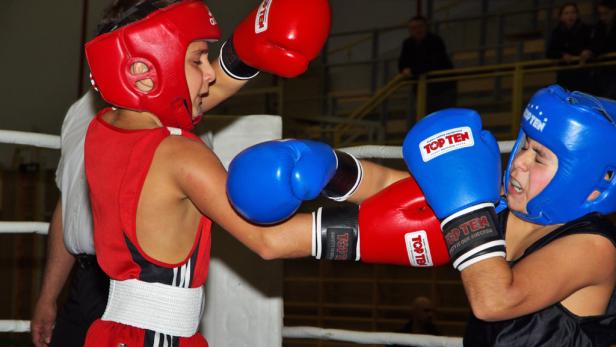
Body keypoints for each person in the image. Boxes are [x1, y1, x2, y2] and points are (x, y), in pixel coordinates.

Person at [81, 1, 452, 346]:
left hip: (112, 332)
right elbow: (267, 240)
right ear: (146, 70)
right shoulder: (180, 154)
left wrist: (245, 51)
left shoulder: (104, 128)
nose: (210, 74)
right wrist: (371, 230)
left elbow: (173, 100)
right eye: (197, 60)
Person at [404, 84, 616, 346]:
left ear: (593, 186)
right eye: (525, 144)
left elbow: (494, 301)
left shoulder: (594, 248)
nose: (520, 161)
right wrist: (341, 174)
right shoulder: (510, 209)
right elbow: (410, 192)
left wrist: (467, 210)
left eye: (539, 157)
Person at [397, 15, 456, 114]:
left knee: (442, 116)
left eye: (420, 27)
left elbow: (433, 63)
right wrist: (406, 70)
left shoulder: (435, 41)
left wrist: (412, 70)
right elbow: (402, 64)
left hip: (442, 87)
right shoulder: (408, 43)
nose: (417, 30)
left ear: (426, 27)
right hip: (421, 87)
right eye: (413, 28)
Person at [546, 3, 594, 93]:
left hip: (584, 73)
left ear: (577, 14)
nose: (570, 16)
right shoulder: (557, 32)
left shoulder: (586, 29)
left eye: (573, 12)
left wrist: (588, 51)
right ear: (561, 17)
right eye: (566, 13)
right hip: (565, 74)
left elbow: (594, 45)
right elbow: (549, 52)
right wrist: (562, 55)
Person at [590, 0, 616, 98]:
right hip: (604, 71)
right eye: (600, 14)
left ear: (613, 11)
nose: (603, 17)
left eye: (606, 13)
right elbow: (595, 45)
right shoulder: (599, 27)